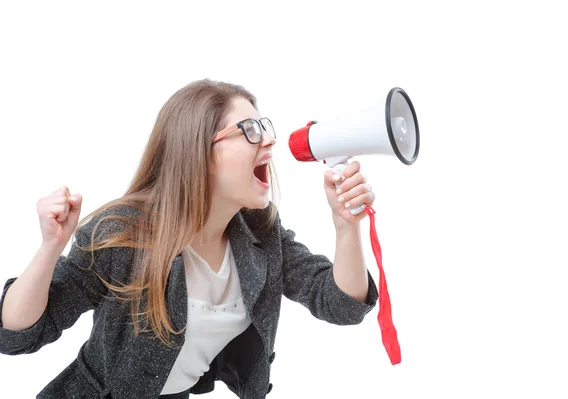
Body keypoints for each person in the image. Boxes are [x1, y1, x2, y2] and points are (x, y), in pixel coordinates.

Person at [0, 79, 379, 398]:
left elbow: (342, 306)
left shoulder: (260, 235)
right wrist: (51, 246)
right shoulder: (123, 233)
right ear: (198, 150)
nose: (268, 142)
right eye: (249, 130)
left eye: (265, 127)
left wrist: (346, 225)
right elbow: (16, 337)